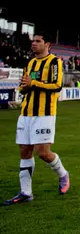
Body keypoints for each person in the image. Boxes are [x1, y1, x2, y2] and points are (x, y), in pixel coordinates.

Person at [4, 32, 70, 205]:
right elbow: (24, 87)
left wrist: (34, 84)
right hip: (26, 113)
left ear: (47, 44)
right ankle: (26, 192)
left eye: (37, 41)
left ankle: (63, 174)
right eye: (32, 41)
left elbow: (57, 85)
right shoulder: (31, 63)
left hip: (45, 113)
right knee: (25, 152)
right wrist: (24, 87)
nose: (33, 44)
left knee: (43, 153)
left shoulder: (55, 61)